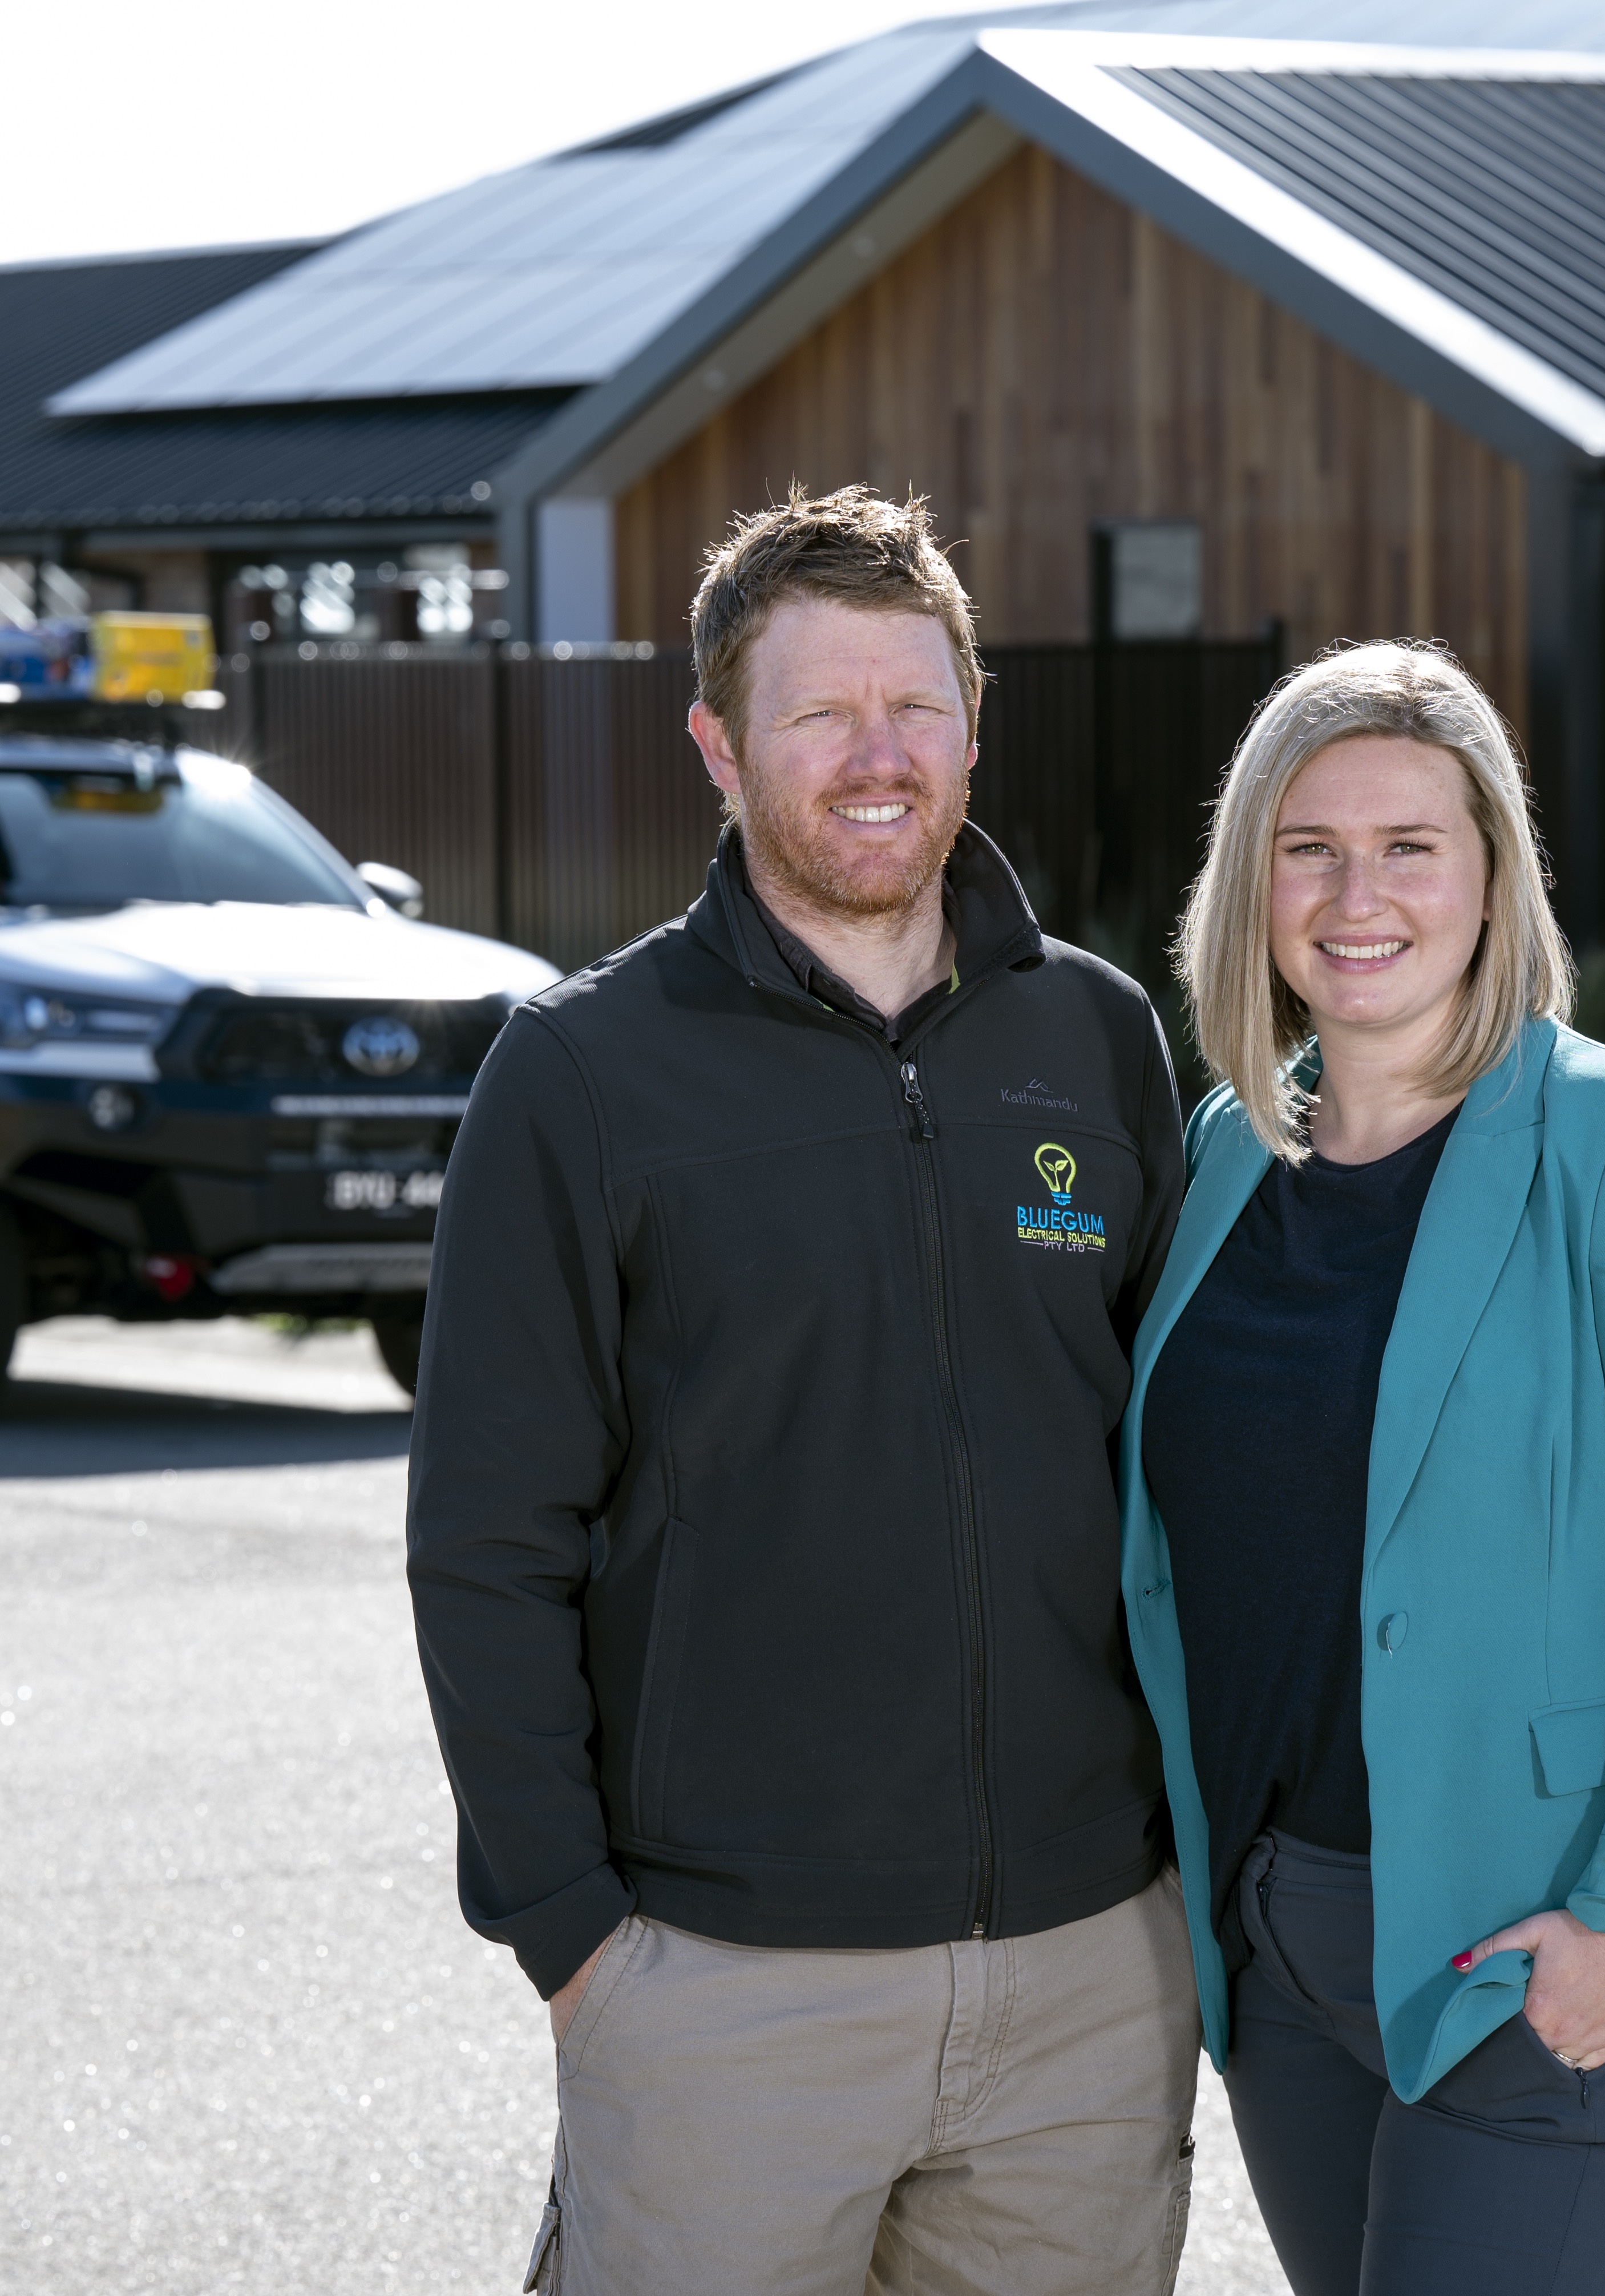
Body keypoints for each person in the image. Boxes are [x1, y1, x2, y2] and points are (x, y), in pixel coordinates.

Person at [406, 486, 1200, 2295]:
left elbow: (1178, 1471)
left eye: (916, 707)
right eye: (817, 711)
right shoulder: (585, 1072)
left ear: (974, 729)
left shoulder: (1093, 1037)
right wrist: (576, 1945)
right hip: (721, 1989)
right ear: (716, 742)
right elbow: (485, 1537)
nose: (876, 756)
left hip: (1086, 1984)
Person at [1115, 640, 1605, 2295]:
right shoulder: (1219, 1156)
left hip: (1540, 1951)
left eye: (1410, 844)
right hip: (1282, 1957)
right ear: (1250, 882)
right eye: (1309, 846)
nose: (1360, 892)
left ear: (1491, 877)